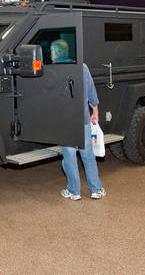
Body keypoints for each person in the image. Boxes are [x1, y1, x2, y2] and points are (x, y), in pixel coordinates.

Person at [50, 39, 106, 201]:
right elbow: (91, 91)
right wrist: (95, 111)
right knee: (88, 155)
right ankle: (96, 189)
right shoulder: (82, 67)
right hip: (82, 120)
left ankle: (74, 191)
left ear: (55, 53)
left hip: (64, 121)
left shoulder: (52, 70)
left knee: (69, 157)